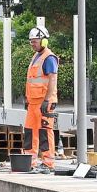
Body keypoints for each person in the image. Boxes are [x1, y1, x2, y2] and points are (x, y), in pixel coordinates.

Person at [23, 25, 58, 173]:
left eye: (35, 41)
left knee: (44, 131)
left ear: (44, 41)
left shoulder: (49, 58)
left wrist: (47, 99)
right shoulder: (36, 57)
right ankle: (30, 161)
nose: (32, 44)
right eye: (31, 42)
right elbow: (31, 80)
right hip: (33, 102)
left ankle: (48, 163)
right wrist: (27, 98)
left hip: (44, 101)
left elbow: (52, 80)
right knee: (30, 131)